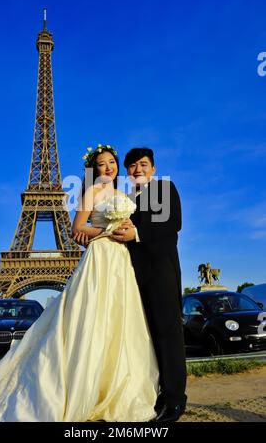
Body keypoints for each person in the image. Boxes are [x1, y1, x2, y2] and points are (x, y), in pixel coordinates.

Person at [0, 145, 159, 422]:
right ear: (94, 170)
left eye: (112, 163)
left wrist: (126, 232)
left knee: (119, 319)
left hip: (121, 261)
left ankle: (115, 384)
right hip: (101, 256)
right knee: (92, 317)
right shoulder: (90, 193)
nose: (108, 167)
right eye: (102, 164)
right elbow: (77, 229)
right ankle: (82, 386)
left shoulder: (124, 195)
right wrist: (108, 230)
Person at [110, 148, 187, 422]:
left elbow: (173, 223)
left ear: (153, 169)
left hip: (161, 272)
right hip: (132, 275)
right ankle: (153, 394)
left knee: (168, 335)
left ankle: (175, 399)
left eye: (143, 164)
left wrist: (137, 233)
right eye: (131, 166)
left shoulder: (164, 188)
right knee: (144, 338)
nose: (137, 169)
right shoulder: (125, 199)